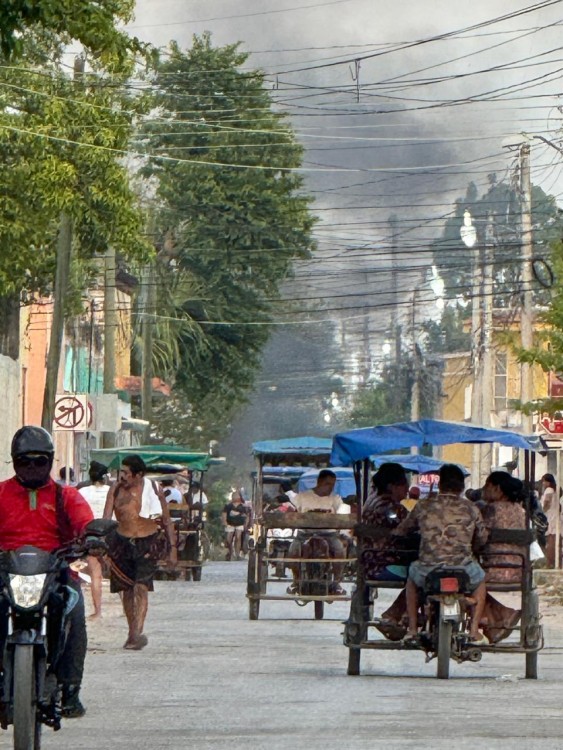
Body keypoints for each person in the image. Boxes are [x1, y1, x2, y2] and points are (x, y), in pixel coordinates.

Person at [0, 426, 94, 717]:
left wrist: (93, 537)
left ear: (50, 461)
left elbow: (86, 523)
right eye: (24, 461)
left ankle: (69, 689)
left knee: (75, 615)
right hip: (6, 571)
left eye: (39, 461)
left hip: (56, 571)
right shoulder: (1, 493)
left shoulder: (66, 496)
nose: (31, 467)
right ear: (15, 461)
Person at [395, 463, 489, 644]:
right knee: (481, 581)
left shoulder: (423, 505)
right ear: (462, 487)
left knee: (411, 581)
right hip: (463, 568)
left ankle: (413, 630)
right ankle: (474, 631)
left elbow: (403, 530)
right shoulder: (471, 508)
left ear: (440, 484)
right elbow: (482, 537)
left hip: (427, 568)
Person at [103, 457, 170, 650]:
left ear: (138, 475)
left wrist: (171, 549)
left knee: (141, 587)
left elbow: (165, 519)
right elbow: (107, 518)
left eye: (126, 472)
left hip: (147, 542)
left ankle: (137, 633)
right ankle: (132, 629)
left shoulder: (153, 490)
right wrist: (103, 545)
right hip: (121, 542)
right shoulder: (115, 490)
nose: (122, 476)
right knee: (126, 589)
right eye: (121, 472)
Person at [360, 463, 416, 640]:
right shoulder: (393, 508)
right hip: (386, 565)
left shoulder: (370, 502)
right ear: (392, 486)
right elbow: (411, 528)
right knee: (425, 576)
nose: (407, 490)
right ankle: (394, 614)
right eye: (403, 485)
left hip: (369, 563)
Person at [480, 471, 526, 643]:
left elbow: (479, 537)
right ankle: (496, 619)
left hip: (492, 570)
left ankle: (497, 616)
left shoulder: (489, 510)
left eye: (487, 486)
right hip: (518, 571)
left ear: (497, 489)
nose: (483, 490)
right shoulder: (521, 511)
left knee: (463, 579)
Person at [287, 469, 346, 596]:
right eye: (327, 483)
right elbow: (294, 511)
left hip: (328, 534)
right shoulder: (302, 496)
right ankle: (296, 581)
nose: (330, 487)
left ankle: (336, 583)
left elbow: (339, 513)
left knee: (340, 550)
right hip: (305, 533)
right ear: (319, 482)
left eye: (332, 484)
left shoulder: (335, 499)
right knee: (293, 551)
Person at [78, 461, 110, 619]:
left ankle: (98, 611)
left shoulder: (83, 492)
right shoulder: (112, 491)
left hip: (91, 534)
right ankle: (127, 610)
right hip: (111, 533)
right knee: (118, 574)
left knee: (95, 575)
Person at [221, 490, 249, 560]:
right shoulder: (228, 506)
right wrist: (225, 522)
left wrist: (246, 524)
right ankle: (229, 552)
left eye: (237, 495)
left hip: (239, 524)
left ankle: (237, 554)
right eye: (234, 495)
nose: (235, 497)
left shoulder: (243, 506)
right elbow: (224, 514)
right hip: (230, 524)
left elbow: (247, 516)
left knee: (238, 538)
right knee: (228, 538)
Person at [540, 473, 561, 567]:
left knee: (551, 540)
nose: (543, 483)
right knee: (556, 540)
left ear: (548, 482)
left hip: (550, 517)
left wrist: (541, 512)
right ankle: (556, 562)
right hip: (556, 517)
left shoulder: (548, 490)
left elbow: (546, 503)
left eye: (544, 481)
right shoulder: (555, 491)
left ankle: (549, 562)